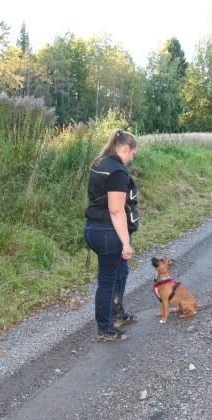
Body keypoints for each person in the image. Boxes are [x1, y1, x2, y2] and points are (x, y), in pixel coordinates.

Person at [84, 129, 140, 341]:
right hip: (108, 232)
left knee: (121, 271)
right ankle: (105, 328)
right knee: (107, 281)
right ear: (125, 149)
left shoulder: (99, 163)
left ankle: (116, 312)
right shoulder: (117, 172)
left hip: (94, 227)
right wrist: (126, 243)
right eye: (132, 153)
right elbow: (116, 210)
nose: (131, 157)